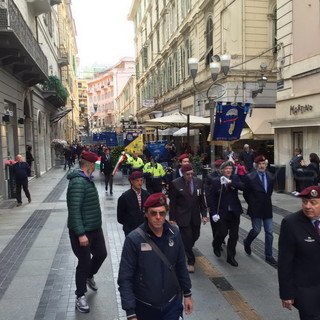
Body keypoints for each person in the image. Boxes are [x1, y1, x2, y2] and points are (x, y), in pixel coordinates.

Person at [118, 193, 193, 320]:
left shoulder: (174, 234)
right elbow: (125, 278)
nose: (158, 217)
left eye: (162, 213)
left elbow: (181, 266)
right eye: (153, 213)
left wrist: (187, 294)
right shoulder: (134, 239)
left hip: (171, 305)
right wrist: (131, 313)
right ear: (146, 213)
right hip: (144, 307)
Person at [67, 151, 107, 313]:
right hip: (82, 231)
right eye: (95, 165)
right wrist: (81, 234)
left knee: (101, 254)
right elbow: (74, 210)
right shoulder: (78, 182)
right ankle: (80, 296)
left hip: (95, 228)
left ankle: (89, 276)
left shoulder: (86, 180)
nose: (96, 168)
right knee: (83, 262)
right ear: (90, 165)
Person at [278, 185, 320, 320]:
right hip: (306, 291)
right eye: (304, 202)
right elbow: (285, 262)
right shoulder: (291, 223)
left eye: (313, 203)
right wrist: (286, 294)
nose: (308, 206)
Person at [169, 164, 207, 273]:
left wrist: (204, 215)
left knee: (195, 235)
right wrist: (172, 218)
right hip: (182, 216)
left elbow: (202, 200)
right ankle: (191, 261)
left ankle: (186, 245)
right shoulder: (176, 184)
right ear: (183, 174)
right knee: (187, 238)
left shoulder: (198, 182)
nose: (190, 176)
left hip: (195, 216)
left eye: (191, 174)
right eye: (187, 174)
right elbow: (173, 203)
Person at [243, 155, 278, 267]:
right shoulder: (250, 177)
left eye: (263, 163)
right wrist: (252, 203)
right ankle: (247, 242)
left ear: (266, 165)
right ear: (256, 165)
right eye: (260, 164)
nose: (262, 166)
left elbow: (269, 192)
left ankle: (269, 255)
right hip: (255, 208)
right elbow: (246, 193)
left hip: (267, 207)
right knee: (256, 230)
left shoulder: (271, 176)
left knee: (269, 232)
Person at [210, 161, 244, 267]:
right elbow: (212, 199)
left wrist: (230, 182)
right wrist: (214, 213)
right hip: (222, 213)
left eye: (230, 168)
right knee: (222, 233)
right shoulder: (216, 181)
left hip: (234, 212)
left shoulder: (235, 178)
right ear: (221, 170)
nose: (229, 170)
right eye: (226, 169)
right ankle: (216, 244)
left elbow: (243, 187)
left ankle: (231, 257)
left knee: (234, 236)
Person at [117, 171, 150, 236]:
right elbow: (120, 217)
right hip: (130, 230)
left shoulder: (146, 195)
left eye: (141, 180)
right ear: (131, 181)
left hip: (145, 230)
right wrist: (128, 224)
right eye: (137, 181)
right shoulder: (125, 197)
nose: (140, 183)